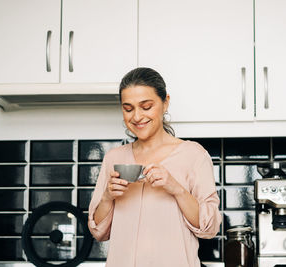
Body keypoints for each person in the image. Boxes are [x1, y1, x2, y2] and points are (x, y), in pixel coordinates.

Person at [88, 67, 221, 267]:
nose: (137, 117)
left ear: (165, 102)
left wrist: (176, 189)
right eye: (128, 108)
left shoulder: (193, 155)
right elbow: (99, 231)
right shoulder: (114, 158)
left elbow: (209, 228)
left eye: (146, 106)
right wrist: (107, 197)